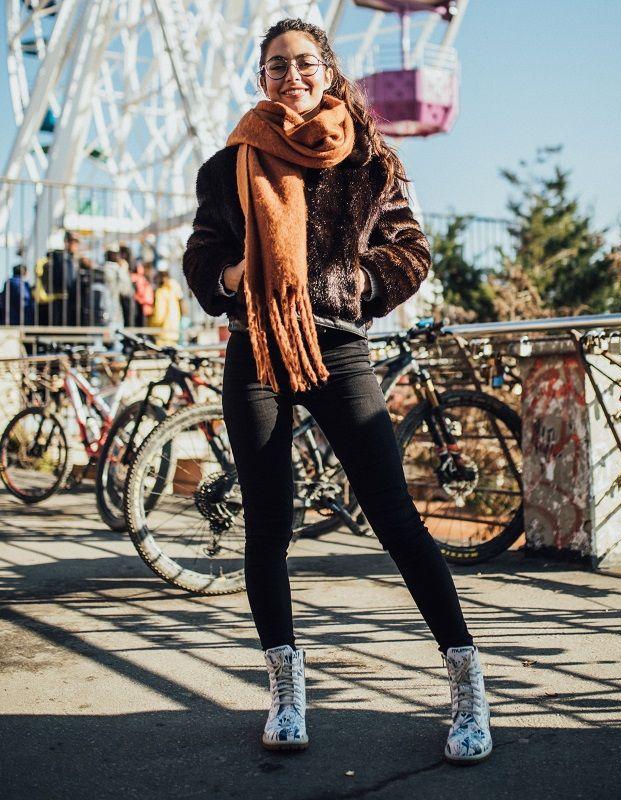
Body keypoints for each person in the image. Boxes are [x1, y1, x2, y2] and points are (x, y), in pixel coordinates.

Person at [182, 17, 491, 765]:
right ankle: (286, 687)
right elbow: (202, 257)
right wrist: (234, 277)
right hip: (256, 348)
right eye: (278, 67)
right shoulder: (228, 166)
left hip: (341, 347)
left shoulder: (370, 162)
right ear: (262, 78)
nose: (293, 77)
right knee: (267, 528)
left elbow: (411, 252)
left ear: (327, 69)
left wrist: (350, 284)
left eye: (305, 63)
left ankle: (468, 683)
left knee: (395, 518)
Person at [148, 263, 182, 345]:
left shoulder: (161, 292)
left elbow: (159, 315)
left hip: (163, 333)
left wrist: (151, 324)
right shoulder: (175, 289)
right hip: (174, 331)